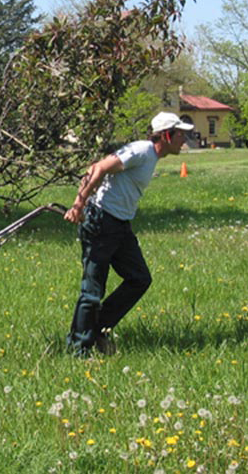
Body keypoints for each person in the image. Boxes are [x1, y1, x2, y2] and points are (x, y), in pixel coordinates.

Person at [63, 112, 193, 356]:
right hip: (101, 222)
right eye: (180, 134)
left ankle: (98, 328)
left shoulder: (151, 156)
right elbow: (98, 168)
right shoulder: (142, 151)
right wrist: (79, 205)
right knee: (92, 292)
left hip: (120, 226)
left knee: (139, 278)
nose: (184, 139)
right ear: (166, 135)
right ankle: (78, 349)